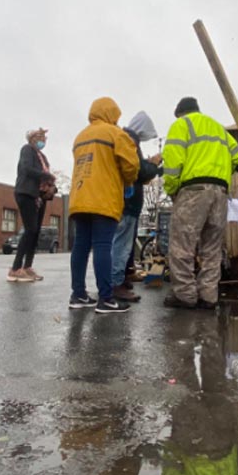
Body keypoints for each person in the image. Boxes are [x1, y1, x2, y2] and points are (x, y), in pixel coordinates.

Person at [161, 97, 238, 310]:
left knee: (182, 244)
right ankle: (209, 296)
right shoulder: (219, 129)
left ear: (180, 113)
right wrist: (221, 175)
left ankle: (185, 295)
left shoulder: (181, 125)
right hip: (220, 192)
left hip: (193, 190)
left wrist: (172, 189)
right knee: (212, 246)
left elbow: (172, 162)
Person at [68, 97, 139, 314]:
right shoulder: (115, 133)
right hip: (103, 197)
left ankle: (78, 294)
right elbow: (131, 165)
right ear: (112, 114)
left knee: (80, 245)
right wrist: (128, 181)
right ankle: (106, 298)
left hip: (80, 197)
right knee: (102, 245)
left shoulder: (81, 135)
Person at [110, 111, 162, 302]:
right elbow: (139, 171)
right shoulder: (130, 142)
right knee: (121, 246)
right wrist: (155, 164)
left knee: (121, 244)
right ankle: (115, 284)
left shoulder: (127, 140)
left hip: (126, 202)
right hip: (128, 203)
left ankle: (119, 280)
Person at [9, 127, 54, 282]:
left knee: (35, 232)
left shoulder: (42, 156)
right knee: (30, 229)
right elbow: (27, 169)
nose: (43, 140)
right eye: (40, 137)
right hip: (26, 192)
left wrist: (50, 186)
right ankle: (15, 268)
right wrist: (46, 175)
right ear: (32, 138)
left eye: (44, 138)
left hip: (40, 196)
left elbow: (46, 175)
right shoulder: (27, 150)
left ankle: (27, 266)